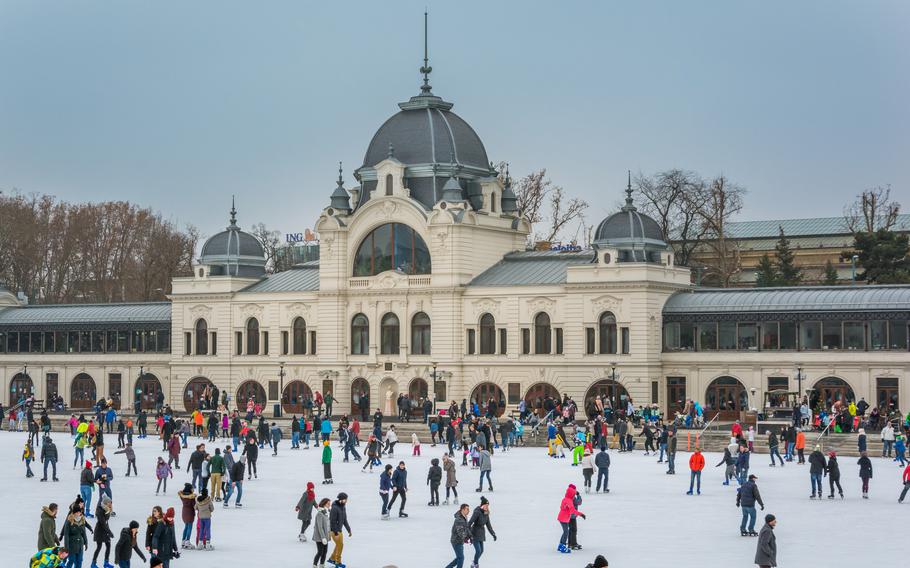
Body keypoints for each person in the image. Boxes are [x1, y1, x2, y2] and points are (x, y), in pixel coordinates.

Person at [468, 496, 497, 567]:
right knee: (478, 550)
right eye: (486, 505)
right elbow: (470, 522)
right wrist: (468, 534)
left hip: (481, 534)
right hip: (474, 533)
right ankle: (475, 564)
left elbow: (489, 525)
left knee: (481, 551)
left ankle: (474, 562)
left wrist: (493, 534)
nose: (487, 507)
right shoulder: (477, 512)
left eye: (488, 506)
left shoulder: (486, 514)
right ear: (482, 505)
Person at [557, 484, 585, 554]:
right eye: (574, 492)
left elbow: (562, 507)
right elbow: (573, 510)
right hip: (564, 518)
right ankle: (564, 546)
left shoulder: (566, 499)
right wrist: (581, 514)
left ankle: (561, 545)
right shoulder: (570, 500)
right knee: (568, 531)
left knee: (566, 531)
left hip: (564, 518)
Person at [328, 493, 352, 568]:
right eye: (346, 499)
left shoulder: (343, 507)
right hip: (333, 531)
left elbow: (344, 520)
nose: (347, 501)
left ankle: (332, 558)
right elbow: (332, 521)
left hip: (339, 530)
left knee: (339, 545)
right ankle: (337, 562)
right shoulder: (334, 508)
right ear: (342, 499)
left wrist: (349, 530)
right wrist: (335, 533)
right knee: (340, 545)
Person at [445, 504, 472, 568]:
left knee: (459, 558)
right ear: (462, 510)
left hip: (459, 541)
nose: (469, 511)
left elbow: (467, 528)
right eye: (467, 509)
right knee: (461, 558)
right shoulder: (459, 519)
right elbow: (460, 531)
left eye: (469, 509)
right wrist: (465, 538)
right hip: (456, 541)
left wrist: (470, 536)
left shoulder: (464, 517)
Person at [91, 496, 114, 568]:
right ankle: (93, 564)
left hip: (105, 529)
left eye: (111, 502)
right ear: (105, 502)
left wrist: (108, 511)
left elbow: (106, 520)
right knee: (99, 547)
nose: (110, 503)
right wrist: (109, 532)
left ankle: (106, 563)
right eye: (109, 502)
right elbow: (102, 522)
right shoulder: (99, 510)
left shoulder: (107, 509)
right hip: (100, 531)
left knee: (108, 545)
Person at [311, 498, 331, 567]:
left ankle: (322, 564)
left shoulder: (326, 513)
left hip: (326, 536)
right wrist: (323, 538)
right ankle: (314, 565)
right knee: (320, 552)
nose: (329, 505)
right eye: (328, 503)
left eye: (329, 503)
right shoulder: (319, 514)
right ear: (324, 504)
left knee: (325, 552)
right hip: (320, 537)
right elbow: (320, 527)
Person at [177, 483, 196, 549]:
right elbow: (194, 505)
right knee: (189, 527)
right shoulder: (192, 497)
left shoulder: (182, 496)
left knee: (186, 526)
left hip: (184, 512)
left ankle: (183, 541)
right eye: (192, 488)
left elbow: (181, 493)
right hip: (190, 512)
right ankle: (187, 541)